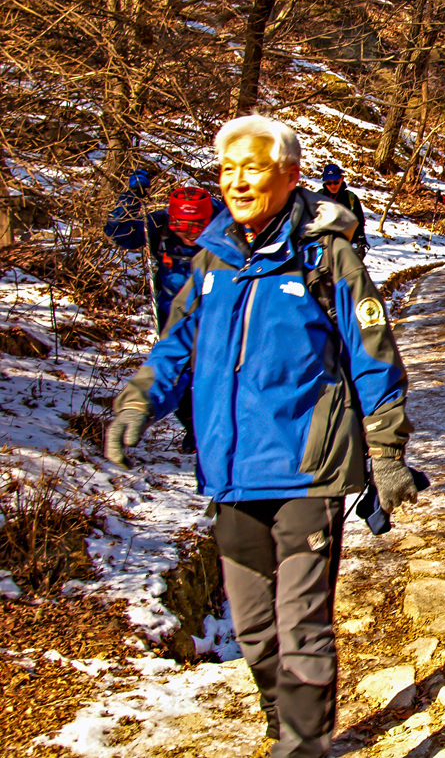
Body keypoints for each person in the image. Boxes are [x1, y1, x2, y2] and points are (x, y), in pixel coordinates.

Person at [103, 115, 420, 758]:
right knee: (252, 628)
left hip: (309, 468)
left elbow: (373, 356)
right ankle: (286, 720)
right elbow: (176, 347)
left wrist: (385, 452)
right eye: (228, 170)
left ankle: (302, 746)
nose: (238, 182)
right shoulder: (211, 260)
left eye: (253, 168)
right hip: (231, 470)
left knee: (302, 622)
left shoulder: (326, 257)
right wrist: (139, 402)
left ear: (290, 175)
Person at [105, 176, 224, 453]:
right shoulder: (158, 228)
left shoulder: (228, 228)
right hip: (174, 313)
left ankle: (209, 430)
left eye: (197, 226)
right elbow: (119, 232)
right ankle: (193, 428)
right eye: (181, 226)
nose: (189, 234)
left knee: (209, 373)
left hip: (214, 310)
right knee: (175, 371)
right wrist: (132, 196)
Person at [318, 163, 368, 259]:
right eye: (328, 183)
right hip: (322, 247)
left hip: (344, 246)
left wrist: (360, 242)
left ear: (342, 179)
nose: (332, 186)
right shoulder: (318, 197)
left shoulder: (350, 198)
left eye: (336, 182)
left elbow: (359, 222)